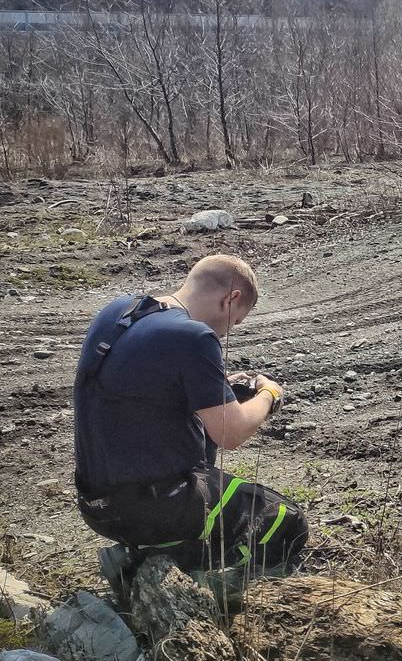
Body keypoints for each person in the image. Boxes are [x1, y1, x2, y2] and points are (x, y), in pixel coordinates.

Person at [73, 254, 308, 596]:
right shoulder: (193, 337)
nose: (229, 329)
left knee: (200, 430)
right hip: (153, 506)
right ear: (232, 299)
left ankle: (148, 554)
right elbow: (232, 433)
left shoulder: (121, 310)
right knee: (286, 523)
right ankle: (193, 587)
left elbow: (137, 383)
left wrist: (218, 383)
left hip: (97, 504)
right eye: (236, 320)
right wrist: (269, 395)